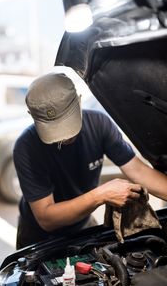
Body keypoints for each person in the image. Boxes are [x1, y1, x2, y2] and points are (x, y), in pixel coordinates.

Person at [13, 72, 167, 249]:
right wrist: (101, 195)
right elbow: (47, 218)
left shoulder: (99, 124)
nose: (63, 139)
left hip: (83, 223)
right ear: (31, 116)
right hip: (40, 238)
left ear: (79, 101)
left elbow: (138, 171)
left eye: (66, 123)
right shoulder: (26, 147)